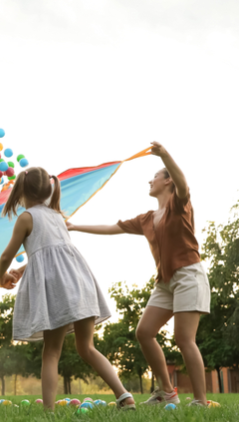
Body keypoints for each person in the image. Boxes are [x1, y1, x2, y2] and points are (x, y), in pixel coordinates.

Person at [66, 141, 210, 406]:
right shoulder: (146, 218)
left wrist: (165, 155)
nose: (149, 181)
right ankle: (167, 392)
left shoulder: (180, 204)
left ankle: (200, 401)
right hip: (164, 282)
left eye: (154, 177)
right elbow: (113, 227)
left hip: (189, 275)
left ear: (167, 181)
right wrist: (75, 226)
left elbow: (183, 184)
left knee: (183, 338)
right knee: (144, 332)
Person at [0, 167, 136, 411]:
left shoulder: (26, 218)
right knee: (87, 348)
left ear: (22, 191)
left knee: (51, 352)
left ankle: (49, 412)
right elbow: (53, 253)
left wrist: (2, 275)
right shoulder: (56, 217)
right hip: (80, 283)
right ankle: (124, 395)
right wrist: (24, 269)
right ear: (49, 189)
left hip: (58, 290)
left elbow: (8, 254)